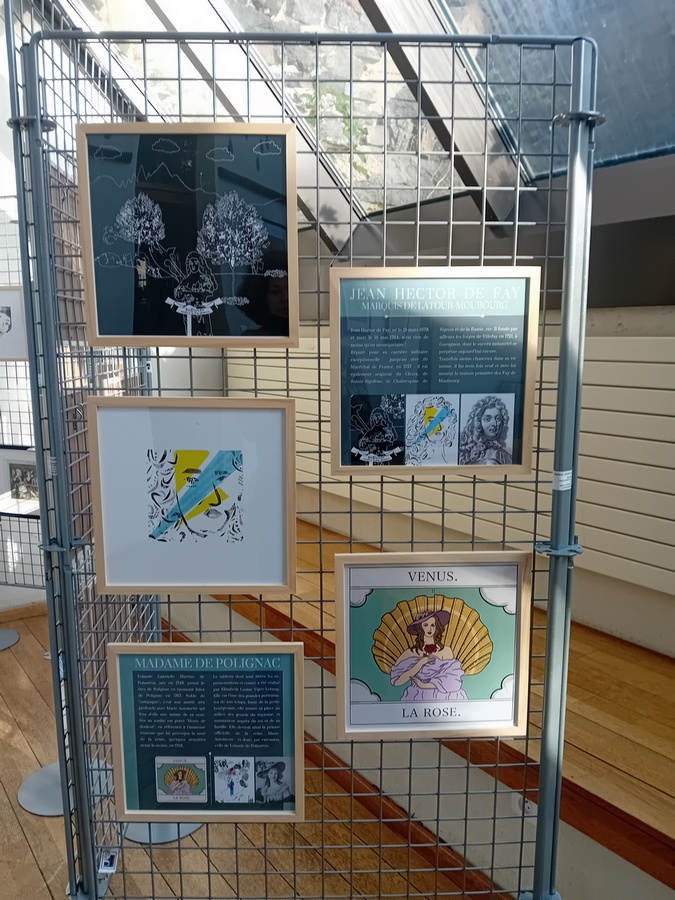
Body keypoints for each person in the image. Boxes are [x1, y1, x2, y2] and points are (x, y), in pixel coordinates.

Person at [390, 609, 467, 702]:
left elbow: (453, 681)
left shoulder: (446, 651)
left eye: (432, 625)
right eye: (425, 625)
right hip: (416, 696)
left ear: (437, 627)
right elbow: (396, 681)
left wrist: (424, 685)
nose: (429, 629)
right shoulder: (410, 653)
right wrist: (420, 663)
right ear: (420, 627)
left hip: (445, 696)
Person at [458, 395, 512, 465]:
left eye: (498, 419)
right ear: (478, 422)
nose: (494, 423)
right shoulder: (466, 452)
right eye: (487, 419)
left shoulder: (504, 456)